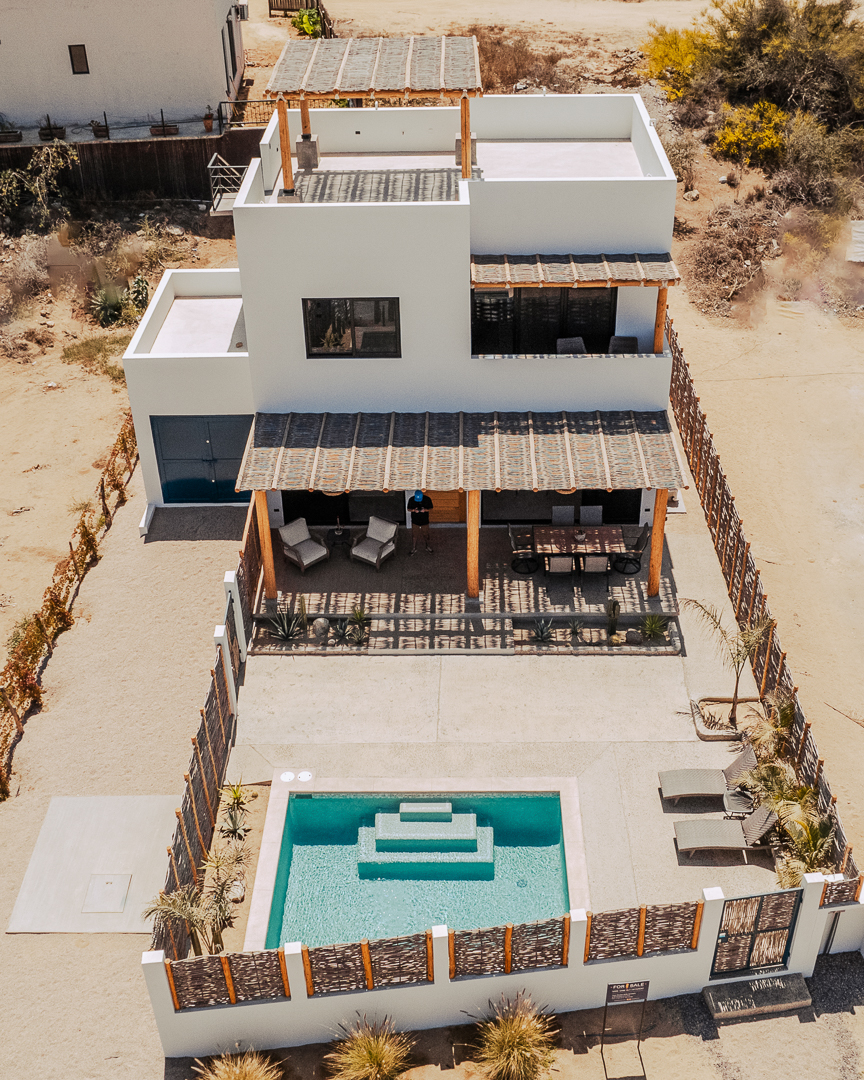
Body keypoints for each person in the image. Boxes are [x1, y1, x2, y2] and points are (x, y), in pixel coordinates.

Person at [407, 489, 434, 554]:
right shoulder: (411, 499)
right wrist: (414, 510)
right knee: (414, 535)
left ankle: (428, 546)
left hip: (425, 520)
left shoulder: (427, 499)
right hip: (415, 520)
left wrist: (425, 510)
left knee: (426, 534)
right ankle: (414, 548)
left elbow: (431, 508)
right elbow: (408, 509)